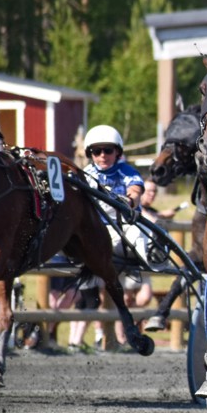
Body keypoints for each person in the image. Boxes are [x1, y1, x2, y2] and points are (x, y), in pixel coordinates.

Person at [73, 125, 149, 350]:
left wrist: (129, 200)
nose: (102, 156)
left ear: (117, 152)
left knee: (138, 235)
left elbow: (135, 191)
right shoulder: (85, 174)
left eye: (108, 150)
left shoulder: (126, 171)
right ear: (90, 154)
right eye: (97, 151)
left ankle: (142, 263)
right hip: (97, 232)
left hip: (123, 226)